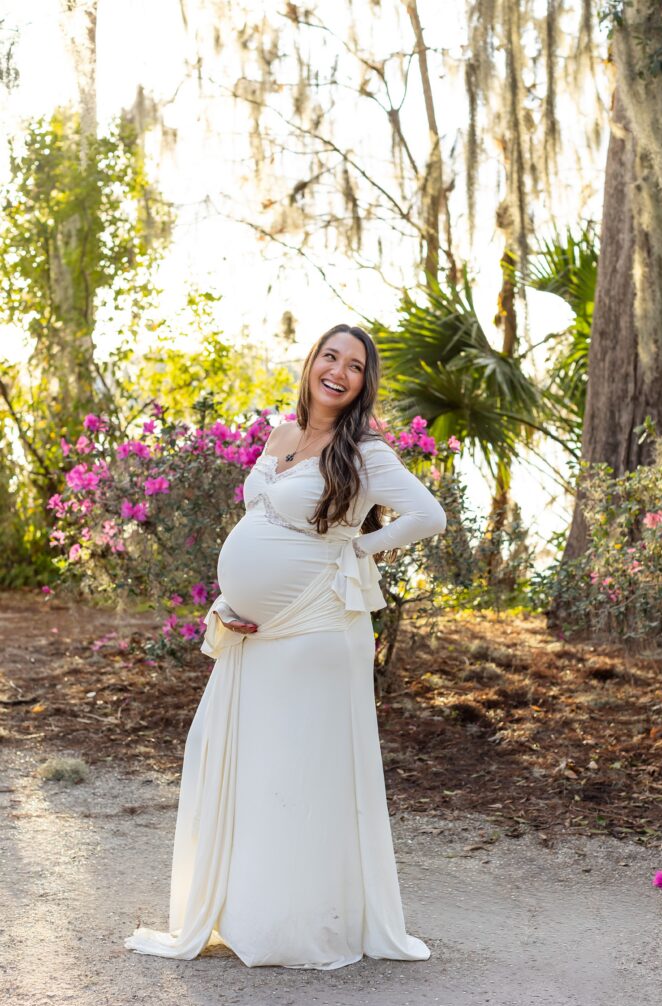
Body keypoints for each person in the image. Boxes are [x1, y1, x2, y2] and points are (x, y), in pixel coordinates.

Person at [124, 324, 447, 970]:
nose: (338, 370)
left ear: (362, 383)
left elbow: (427, 516)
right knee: (256, 764)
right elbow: (258, 521)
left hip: (318, 627)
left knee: (302, 768)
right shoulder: (281, 434)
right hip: (260, 631)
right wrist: (233, 600)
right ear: (310, 363)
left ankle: (301, 925)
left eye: (354, 365)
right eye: (329, 356)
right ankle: (248, 913)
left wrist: (354, 549)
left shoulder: (364, 449)